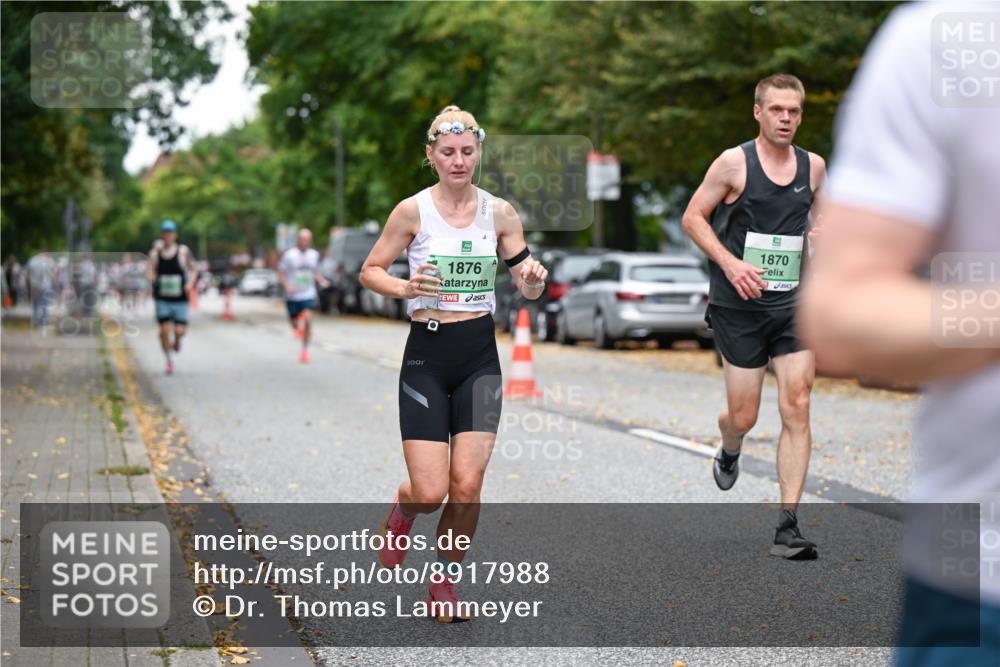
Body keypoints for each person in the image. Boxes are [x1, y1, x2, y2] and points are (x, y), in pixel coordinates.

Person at [797, 3, 999, 663]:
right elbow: (841, 313)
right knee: (767, 405)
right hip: (982, 582)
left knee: (790, 407)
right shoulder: (948, 39)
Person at [359, 105, 548, 622]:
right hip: (426, 354)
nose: (458, 161)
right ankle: (403, 512)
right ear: (432, 155)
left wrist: (532, 277)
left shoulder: (500, 213)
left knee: (467, 484)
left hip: (479, 358)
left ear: (478, 152)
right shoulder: (411, 212)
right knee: (430, 489)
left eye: (467, 152)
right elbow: (370, 270)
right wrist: (403, 286)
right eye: (448, 152)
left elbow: (526, 285)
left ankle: (443, 580)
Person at [681, 73, 826, 559]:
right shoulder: (733, 163)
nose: (787, 119)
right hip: (738, 307)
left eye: (795, 111)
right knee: (744, 414)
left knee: (798, 403)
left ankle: (788, 526)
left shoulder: (814, 168)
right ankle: (730, 445)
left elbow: (819, 224)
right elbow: (692, 217)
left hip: (793, 305)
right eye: (778, 110)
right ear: (758, 112)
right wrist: (732, 263)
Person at [146, 220, 197, 375]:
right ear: (162, 235)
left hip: (180, 297)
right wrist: (153, 280)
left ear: (175, 235)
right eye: (165, 233)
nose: (168, 236)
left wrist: (189, 284)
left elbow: (194, 270)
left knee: (180, 330)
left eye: (171, 233)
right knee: (163, 330)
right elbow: (149, 271)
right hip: (162, 298)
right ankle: (168, 360)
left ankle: (177, 340)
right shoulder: (155, 253)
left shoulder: (183, 251)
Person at [276, 228, 328, 363]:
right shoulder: (289, 255)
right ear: (298, 240)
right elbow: (280, 272)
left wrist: (321, 281)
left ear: (310, 241)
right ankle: (298, 326)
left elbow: (315, 272)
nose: (305, 242)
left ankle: (304, 350)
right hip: (292, 295)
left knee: (308, 318)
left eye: (308, 239)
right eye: (303, 239)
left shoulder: (314, 255)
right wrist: (287, 286)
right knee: (295, 325)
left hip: (308, 293)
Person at [26, 248, 57, 330]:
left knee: (35, 303)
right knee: (45, 304)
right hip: (46, 285)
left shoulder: (32, 260)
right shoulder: (49, 260)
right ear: (45, 253)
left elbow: (27, 274)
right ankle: (43, 322)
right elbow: (54, 272)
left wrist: (29, 285)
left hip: (34, 285)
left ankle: (35, 320)